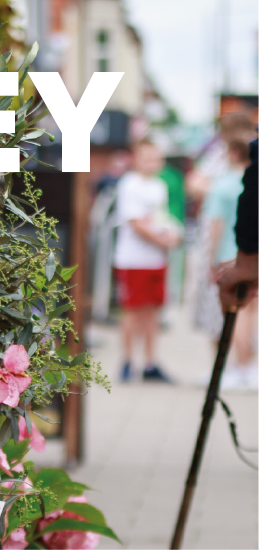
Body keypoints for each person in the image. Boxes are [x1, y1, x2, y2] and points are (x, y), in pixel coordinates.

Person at [113, 139, 180, 382]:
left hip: (155, 260)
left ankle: (151, 362)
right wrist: (163, 240)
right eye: (147, 158)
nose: (152, 163)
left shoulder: (159, 186)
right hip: (133, 259)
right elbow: (137, 223)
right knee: (131, 310)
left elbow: (160, 218)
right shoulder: (130, 184)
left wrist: (173, 232)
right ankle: (128, 361)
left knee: (152, 311)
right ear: (136, 159)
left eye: (155, 158)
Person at [198, 132, 257, 389]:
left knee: (236, 315)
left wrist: (210, 260)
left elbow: (216, 227)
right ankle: (247, 367)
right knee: (252, 316)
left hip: (231, 257)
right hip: (254, 256)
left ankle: (239, 368)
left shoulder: (223, 185)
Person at [216, 137, 258, 340]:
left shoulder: (221, 184)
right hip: (242, 253)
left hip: (237, 253)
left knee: (240, 313)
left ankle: (241, 367)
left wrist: (247, 260)